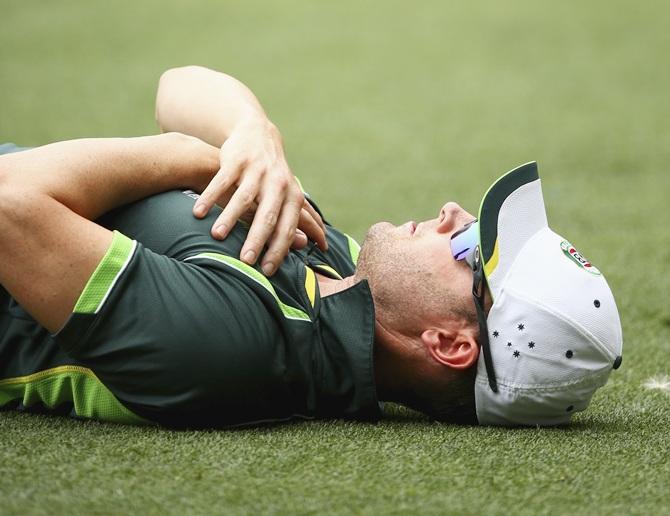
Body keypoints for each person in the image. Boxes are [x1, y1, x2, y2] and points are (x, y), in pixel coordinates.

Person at [0, 66, 623, 428]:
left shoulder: (234, 344)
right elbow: (177, 86)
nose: (452, 212)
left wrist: (189, 157)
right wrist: (253, 133)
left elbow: (7, 202)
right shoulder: (341, 268)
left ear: (451, 344)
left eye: (471, 244)